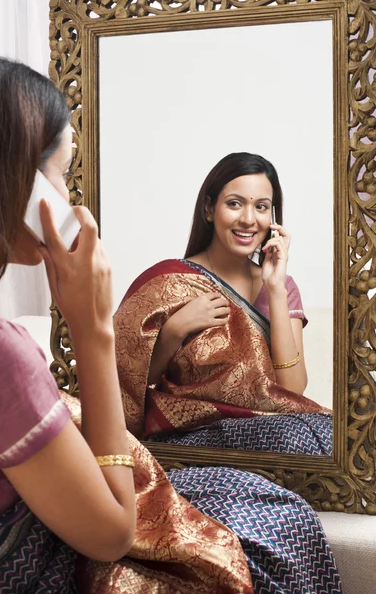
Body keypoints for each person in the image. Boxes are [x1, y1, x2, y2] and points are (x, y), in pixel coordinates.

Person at [0, 54, 253, 593]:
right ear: (20, 182)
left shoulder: (272, 286)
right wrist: (93, 328)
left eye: (262, 206)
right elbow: (110, 533)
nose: (249, 218)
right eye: (61, 173)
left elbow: (289, 385)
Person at [114, 152, 332, 455]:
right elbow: (128, 383)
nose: (248, 218)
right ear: (209, 208)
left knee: (334, 434)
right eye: (234, 203)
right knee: (291, 438)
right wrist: (174, 330)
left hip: (270, 429)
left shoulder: (281, 287)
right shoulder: (169, 283)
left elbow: (292, 391)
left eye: (261, 207)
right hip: (191, 435)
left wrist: (275, 289)